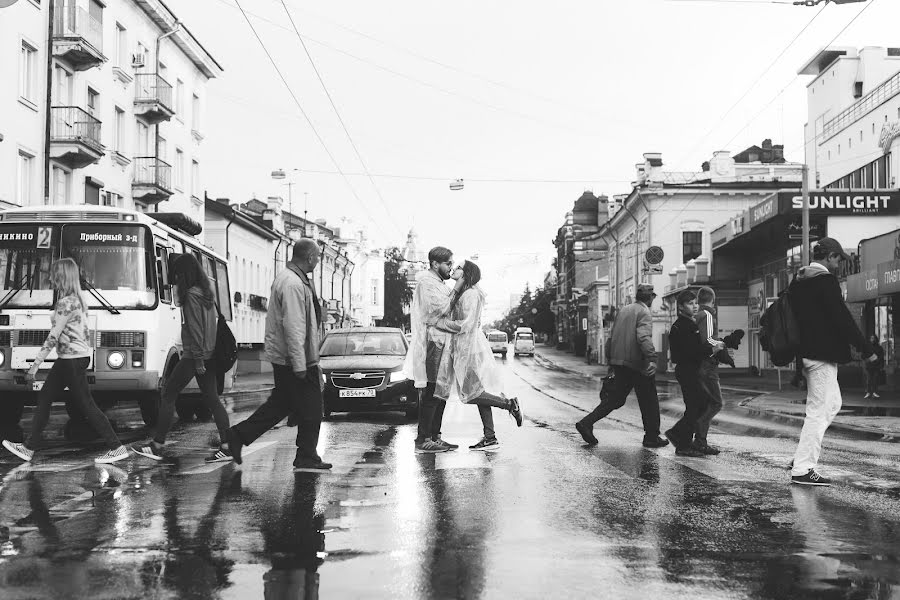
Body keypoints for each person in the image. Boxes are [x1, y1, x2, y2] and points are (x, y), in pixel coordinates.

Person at [2, 258, 129, 464]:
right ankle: (29, 447)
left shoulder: (65, 303)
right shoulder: (77, 300)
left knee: (87, 405)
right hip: (70, 359)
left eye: (54, 274)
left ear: (62, 277)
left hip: (72, 360)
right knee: (45, 397)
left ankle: (117, 447)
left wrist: (34, 366)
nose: (51, 278)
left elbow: (53, 336)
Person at [228, 239, 331, 470]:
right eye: (317, 257)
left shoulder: (294, 279)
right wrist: (300, 363)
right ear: (310, 257)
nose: (318, 261)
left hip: (293, 357)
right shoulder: (293, 283)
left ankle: (238, 436)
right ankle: (305, 454)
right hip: (296, 359)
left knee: (281, 405)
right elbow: (294, 326)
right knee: (313, 409)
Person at [789, 237, 878, 486]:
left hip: (806, 353)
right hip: (820, 355)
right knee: (817, 411)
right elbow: (842, 318)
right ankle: (803, 468)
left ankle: (801, 456)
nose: (838, 264)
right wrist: (866, 349)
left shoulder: (798, 281)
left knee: (833, 403)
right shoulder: (825, 281)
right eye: (838, 259)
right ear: (829, 257)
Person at [132, 254, 231, 463]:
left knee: (168, 393)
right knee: (212, 399)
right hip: (209, 353)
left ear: (183, 273)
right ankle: (227, 445)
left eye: (176, 273)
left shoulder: (191, 296)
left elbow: (195, 330)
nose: (174, 278)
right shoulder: (206, 294)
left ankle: (157, 445)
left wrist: (197, 360)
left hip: (195, 355)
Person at [434, 260, 523, 451]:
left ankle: (509, 404)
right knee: (478, 392)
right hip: (464, 347)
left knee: (471, 394)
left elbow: (466, 324)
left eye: (458, 267)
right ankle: (490, 437)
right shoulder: (465, 293)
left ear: (466, 273)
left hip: (469, 349)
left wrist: (441, 324)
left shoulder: (472, 294)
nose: (454, 269)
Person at [575, 283, 668, 448]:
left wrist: (611, 360)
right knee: (649, 400)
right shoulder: (644, 312)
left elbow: (612, 337)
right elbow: (643, 337)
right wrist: (652, 358)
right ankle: (652, 436)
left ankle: (586, 422)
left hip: (619, 362)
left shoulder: (624, 310)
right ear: (651, 298)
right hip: (637, 363)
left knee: (615, 399)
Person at [403, 246, 465, 453]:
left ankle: (435, 436)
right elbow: (439, 310)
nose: (450, 267)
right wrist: (459, 287)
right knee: (431, 391)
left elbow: (449, 311)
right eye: (448, 263)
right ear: (435, 264)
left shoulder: (438, 282)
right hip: (433, 343)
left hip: (443, 342)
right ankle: (423, 438)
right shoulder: (426, 282)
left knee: (441, 392)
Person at [666, 290, 722, 458]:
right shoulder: (686, 326)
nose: (694, 305)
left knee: (699, 404)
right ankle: (681, 440)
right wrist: (713, 349)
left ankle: (684, 438)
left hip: (687, 369)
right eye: (690, 303)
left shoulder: (684, 324)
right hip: (688, 370)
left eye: (695, 302)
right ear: (681, 307)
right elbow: (693, 351)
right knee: (697, 406)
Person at [693, 286, 724, 455]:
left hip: (699, 364)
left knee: (705, 403)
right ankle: (700, 440)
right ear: (713, 299)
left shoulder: (697, 315)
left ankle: (698, 439)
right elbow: (708, 340)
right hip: (707, 365)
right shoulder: (707, 315)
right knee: (716, 403)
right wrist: (721, 345)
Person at [864, 335, 885, 399]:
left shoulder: (879, 348)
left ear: (876, 339)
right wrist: (867, 360)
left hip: (876, 366)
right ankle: (868, 392)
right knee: (869, 380)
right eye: (871, 338)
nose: (872, 339)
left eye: (873, 338)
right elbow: (863, 355)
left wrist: (881, 365)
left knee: (875, 379)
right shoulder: (868, 347)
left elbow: (881, 357)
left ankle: (875, 392)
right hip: (869, 366)